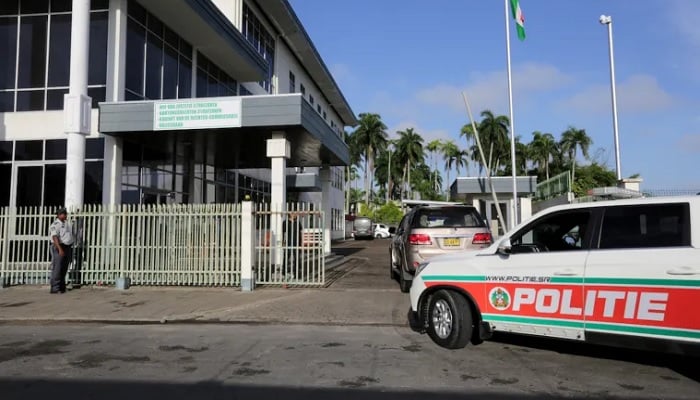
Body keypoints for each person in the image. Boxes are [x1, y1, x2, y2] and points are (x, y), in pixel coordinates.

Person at [49, 208, 74, 294]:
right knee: (57, 268)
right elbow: (55, 237)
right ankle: (55, 288)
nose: (65, 215)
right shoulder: (55, 224)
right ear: (59, 215)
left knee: (64, 268)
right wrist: (60, 249)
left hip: (67, 246)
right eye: (63, 214)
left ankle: (62, 287)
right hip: (58, 246)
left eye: (65, 214)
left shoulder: (66, 223)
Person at [282, 211, 303, 280]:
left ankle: (296, 274)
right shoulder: (285, 223)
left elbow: (300, 233)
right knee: (286, 258)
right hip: (288, 242)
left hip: (296, 243)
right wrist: (283, 242)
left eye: (296, 213)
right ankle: (284, 273)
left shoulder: (297, 222)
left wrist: (301, 243)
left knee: (297, 259)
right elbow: (283, 233)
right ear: (290, 214)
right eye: (294, 213)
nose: (296, 214)